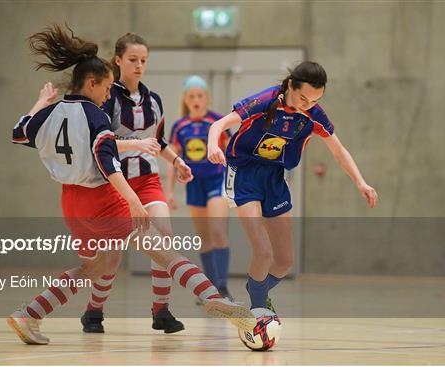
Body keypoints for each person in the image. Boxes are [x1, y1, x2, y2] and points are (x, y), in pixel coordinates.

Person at [9, 24, 254, 345]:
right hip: (104, 198)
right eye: (107, 88)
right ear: (92, 83)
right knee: (165, 250)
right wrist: (134, 202)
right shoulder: (96, 116)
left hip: (71, 202)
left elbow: (19, 132)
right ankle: (214, 298)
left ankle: (30, 314)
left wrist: (41, 101)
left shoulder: (52, 113)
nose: (109, 94)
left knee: (97, 267)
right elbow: (107, 161)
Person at [208, 61, 378, 312]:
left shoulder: (312, 114)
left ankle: (257, 289)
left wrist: (360, 182)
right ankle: (258, 313)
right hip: (243, 172)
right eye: (303, 98)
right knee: (263, 252)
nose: (307, 104)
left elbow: (338, 151)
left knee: (285, 261)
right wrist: (213, 145)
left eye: (314, 100)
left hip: (274, 176)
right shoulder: (266, 101)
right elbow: (219, 124)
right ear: (290, 85)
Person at [79, 33, 192, 334]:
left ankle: (161, 311)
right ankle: (94, 311)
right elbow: (101, 143)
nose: (139, 65)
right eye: (133, 60)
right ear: (117, 60)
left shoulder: (153, 99)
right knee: (111, 257)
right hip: (116, 184)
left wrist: (177, 162)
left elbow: (159, 140)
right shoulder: (107, 97)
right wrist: (138, 144)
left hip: (148, 179)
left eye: (143, 60)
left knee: (165, 238)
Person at [167, 75, 233, 302]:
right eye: (191, 96)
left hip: (216, 181)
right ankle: (210, 289)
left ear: (207, 98)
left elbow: (231, 154)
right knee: (204, 237)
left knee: (217, 230)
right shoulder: (180, 126)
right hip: (194, 185)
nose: (196, 100)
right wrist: (168, 191)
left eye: (200, 95)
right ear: (186, 99)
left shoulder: (217, 122)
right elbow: (173, 159)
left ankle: (222, 287)